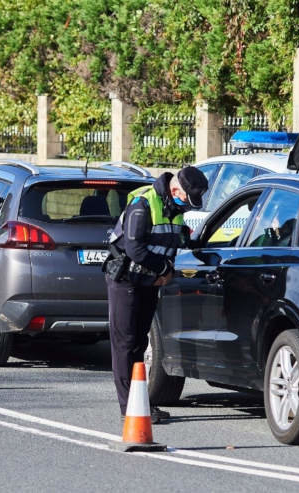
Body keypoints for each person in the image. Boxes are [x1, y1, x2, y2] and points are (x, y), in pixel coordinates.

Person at [103, 166, 208, 423]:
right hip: (125, 279)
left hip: (149, 281)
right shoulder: (143, 204)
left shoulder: (174, 208)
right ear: (175, 190)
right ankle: (129, 407)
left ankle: (140, 404)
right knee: (125, 344)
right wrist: (164, 269)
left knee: (139, 343)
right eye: (187, 200)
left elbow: (180, 240)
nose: (188, 207)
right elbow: (134, 248)